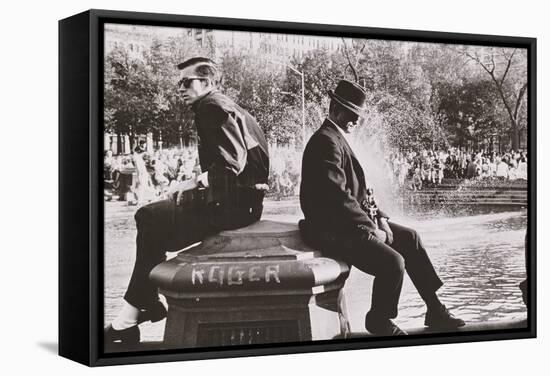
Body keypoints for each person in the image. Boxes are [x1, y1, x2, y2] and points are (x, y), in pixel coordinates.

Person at [105, 57, 270, 346]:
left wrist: (192, 182)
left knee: (149, 217)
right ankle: (136, 310)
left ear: (206, 82)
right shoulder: (229, 105)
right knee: (154, 218)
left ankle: (136, 312)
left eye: (186, 82)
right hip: (245, 203)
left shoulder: (210, 107)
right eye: (179, 82)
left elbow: (231, 163)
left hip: (232, 207)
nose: (180, 88)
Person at [299, 80, 464, 336]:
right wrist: (370, 228)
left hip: (348, 224)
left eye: (359, 116)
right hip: (334, 230)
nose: (356, 121)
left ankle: (434, 308)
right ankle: (379, 319)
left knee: (410, 238)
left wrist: (381, 219)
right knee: (393, 263)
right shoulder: (326, 141)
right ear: (335, 109)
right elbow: (337, 197)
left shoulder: (336, 138)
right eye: (352, 115)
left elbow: (360, 192)